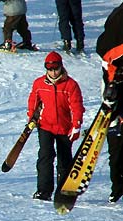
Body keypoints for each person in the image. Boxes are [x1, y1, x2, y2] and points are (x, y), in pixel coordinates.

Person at [27, 51, 85, 201]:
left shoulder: (70, 85)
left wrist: (76, 125)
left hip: (64, 128)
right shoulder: (39, 83)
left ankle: (63, 191)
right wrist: (31, 118)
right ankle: (43, 191)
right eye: (49, 69)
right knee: (45, 157)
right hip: (45, 125)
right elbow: (34, 101)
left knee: (64, 160)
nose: (53, 72)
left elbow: (77, 106)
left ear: (61, 67)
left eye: (56, 68)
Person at [96, 3, 123, 203]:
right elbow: (106, 54)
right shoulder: (117, 19)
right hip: (114, 97)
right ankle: (117, 186)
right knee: (116, 149)